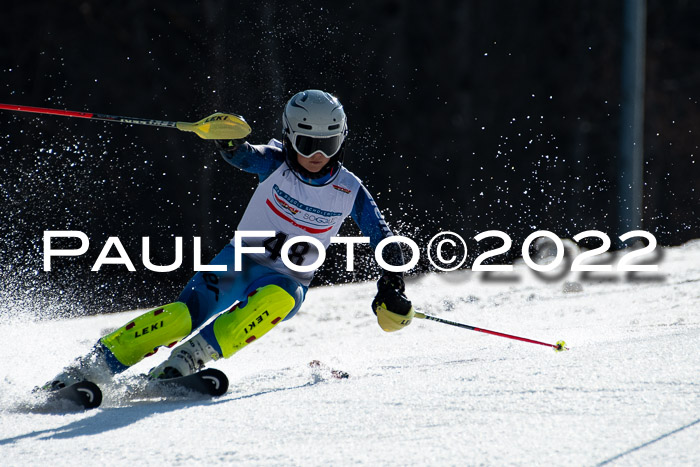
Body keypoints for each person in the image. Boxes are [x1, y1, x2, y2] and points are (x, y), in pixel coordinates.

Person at [43, 89, 414, 389]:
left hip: (286, 279)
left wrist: (391, 283)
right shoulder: (276, 163)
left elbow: (383, 237)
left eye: (328, 144)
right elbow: (246, 157)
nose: (317, 155)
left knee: (279, 300)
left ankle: (188, 361)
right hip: (238, 263)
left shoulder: (349, 189)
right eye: (306, 143)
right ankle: (93, 364)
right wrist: (228, 141)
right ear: (289, 138)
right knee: (181, 316)